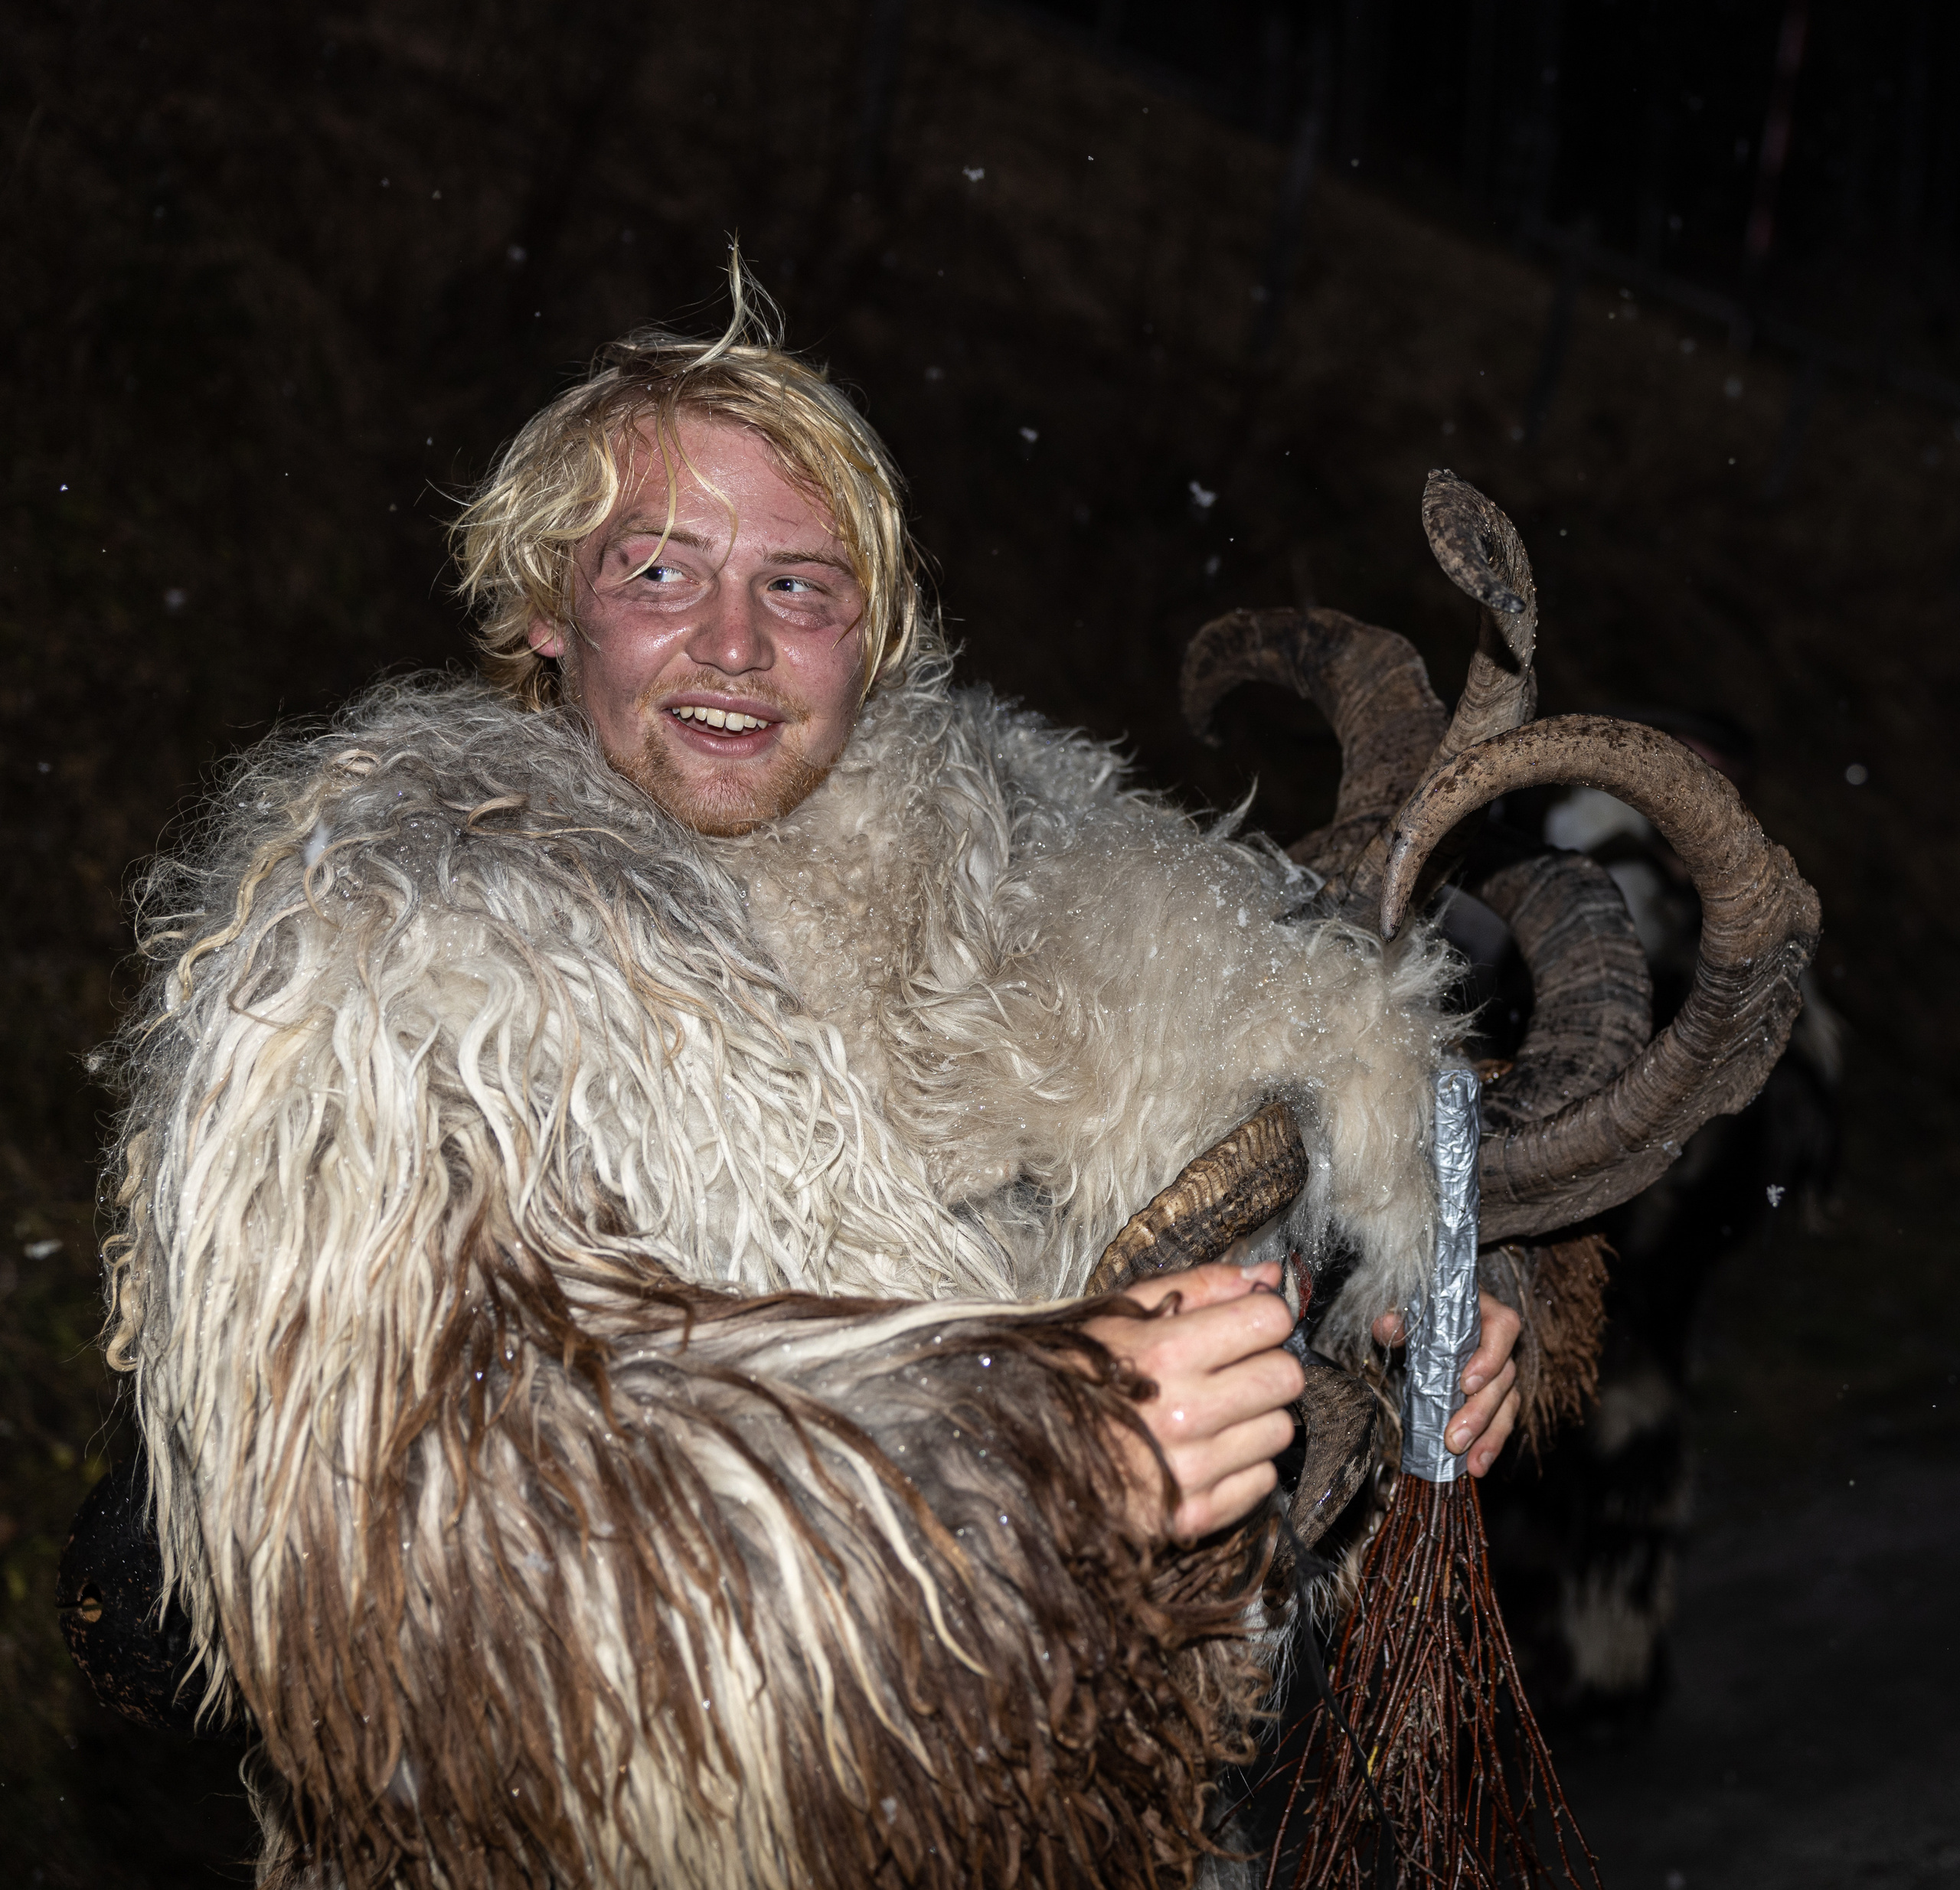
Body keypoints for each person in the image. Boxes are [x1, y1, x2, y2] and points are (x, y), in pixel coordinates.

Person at [100, 273, 1520, 1888]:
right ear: (547, 611)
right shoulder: (393, 950)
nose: (732, 644)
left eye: (800, 583)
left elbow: (1270, 1191)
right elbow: (416, 1561)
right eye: (658, 570)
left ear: (877, 634)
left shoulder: (1052, 902)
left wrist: (1410, 1317)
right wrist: (1032, 1469)